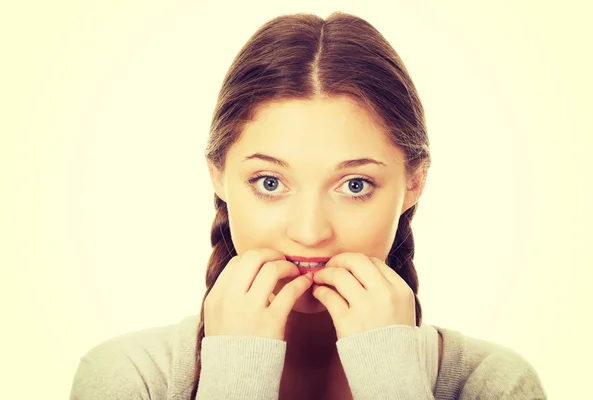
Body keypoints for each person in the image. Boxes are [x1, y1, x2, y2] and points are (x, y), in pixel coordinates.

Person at [70, 11, 547, 400]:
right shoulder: (130, 379)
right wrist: (237, 366)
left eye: (355, 185)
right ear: (218, 174)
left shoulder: (493, 385)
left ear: (414, 182)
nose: (311, 231)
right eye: (271, 181)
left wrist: (391, 377)